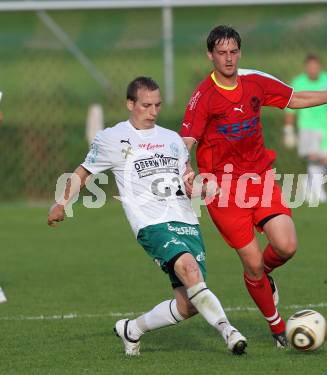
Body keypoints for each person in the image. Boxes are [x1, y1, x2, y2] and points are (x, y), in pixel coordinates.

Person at [180, 25, 327, 347]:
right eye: (221, 53)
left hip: (260, 179)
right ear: (210, 55)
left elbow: (295, 98)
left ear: (239, 52)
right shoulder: (203, 97)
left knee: (286, 246)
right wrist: (187, 174)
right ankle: (278, 328)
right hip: (223, 191)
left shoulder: (254, 81)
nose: (228, 59)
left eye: (233, 52)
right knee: (251, 263)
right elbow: (184, 141)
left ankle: (262, 278)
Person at [47, 76, 247, 356]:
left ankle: (133, 329)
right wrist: (61, 202)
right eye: (146, 105)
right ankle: (229, 331)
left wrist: (195, 184)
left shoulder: (172, 139)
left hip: (186, 221)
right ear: (130, 104)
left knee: (188, 304)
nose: (153, 111)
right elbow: (83, 173)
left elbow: (187, 176)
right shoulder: (112, 138)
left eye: (157, 105)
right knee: (189, 269)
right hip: (151, 224)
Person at [284, 54, 327, 203]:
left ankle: (310, 185)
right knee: (313, 157)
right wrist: (288, 130)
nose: (313, 69)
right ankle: (318, 193)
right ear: (306, 67)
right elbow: (291, 107)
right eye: (310, 66)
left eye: (315, 66)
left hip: (325, 127)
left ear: (320, 67)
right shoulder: (298, 82)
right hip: (307, 127)